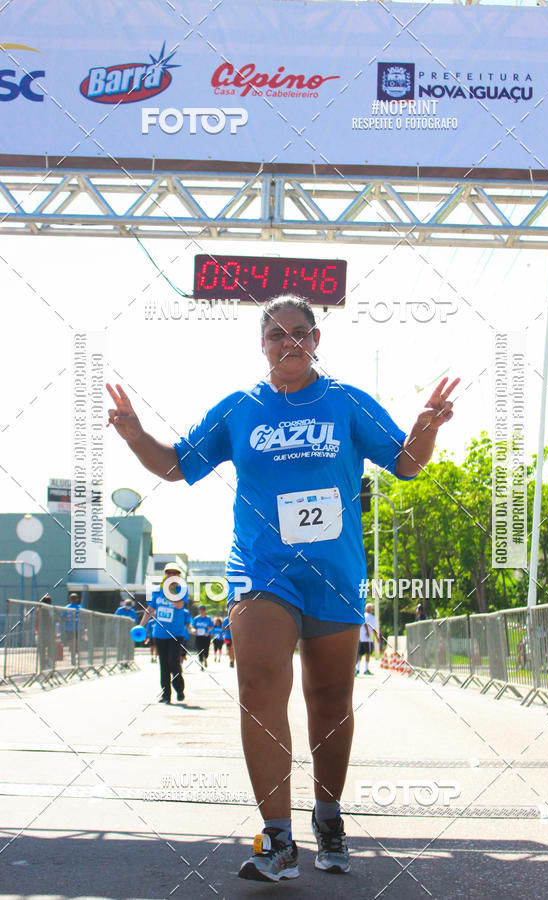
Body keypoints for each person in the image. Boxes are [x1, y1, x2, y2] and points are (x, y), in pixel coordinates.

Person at [106, 295, 458, 882]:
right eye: (277, 333)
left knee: (329, 701)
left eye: (300, 332)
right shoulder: (240, 408)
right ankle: (276, 838)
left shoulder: (345, 401)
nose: (288, 341)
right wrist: (135, 433)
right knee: (261, 679)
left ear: (317, 340)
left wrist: (424, 430)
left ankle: (328, 815)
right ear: (262, 344)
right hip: (261, 569)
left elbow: (406, 463)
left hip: (335, 573)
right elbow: (176, 465)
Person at [138, 566, 193, 703]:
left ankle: (179, 689)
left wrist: (172, 591)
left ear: (179, 576)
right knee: (164, 664)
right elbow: (150, 610)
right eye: (169, 572)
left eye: (175, 573)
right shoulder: (157, 592)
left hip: (176, 633)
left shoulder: (182, 591)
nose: (172, 575)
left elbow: (180, 605)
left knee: (173, 662)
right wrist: (141, 626)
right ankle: (166, 695)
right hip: (160, 634)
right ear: (165, 575)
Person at [356, 602, 378, 675]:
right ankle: (366, 669)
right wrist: (377, 637)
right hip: (367, 639)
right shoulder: (371, 616)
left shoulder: (363, 615)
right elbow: (373, 628)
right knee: (368, 653)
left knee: (360, 653)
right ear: (371, 609)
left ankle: (358, 669)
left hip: (361, 637)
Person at [115, 598, 138, 667]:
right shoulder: (120, 610)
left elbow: (135, 621)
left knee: (128, 647)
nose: (128, 607)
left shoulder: (132, 611)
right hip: (121, 631)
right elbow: (115, 618)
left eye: (129, 605)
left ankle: (127, 662)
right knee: (121, 646)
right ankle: (120, 661)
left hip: (129, 632)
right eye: (127, 605)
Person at [61, 593, 81, 666]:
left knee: (73, 644)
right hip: (74, 629)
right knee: (75, 644)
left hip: (72, 628)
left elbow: (62, 618)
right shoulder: (79, 607)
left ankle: (74, 658)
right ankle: (74, 658)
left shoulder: (67, 607)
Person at [35, 594, 54, 670]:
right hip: (50, 631)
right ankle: (50, 664)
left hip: (42, 631)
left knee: (42, 649)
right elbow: (53, 620)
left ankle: (42, 666)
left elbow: (37, 620)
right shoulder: (51, 609)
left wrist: (36, 629)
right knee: (50, 649)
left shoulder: (39, 609)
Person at [193, 604, 213, 670]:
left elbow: (212, 626)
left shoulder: (208, 618)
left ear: (205, 611)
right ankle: (201, 663)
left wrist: (208, 629)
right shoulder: (196, 619)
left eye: (203, 610)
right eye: (200, 610)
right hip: (198, 637)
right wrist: (194, 630)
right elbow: (192, 627)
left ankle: (205, 659)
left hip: (206, 636)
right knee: (200, 649)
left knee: (206, 650)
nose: (202, 611)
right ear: (199, 611)